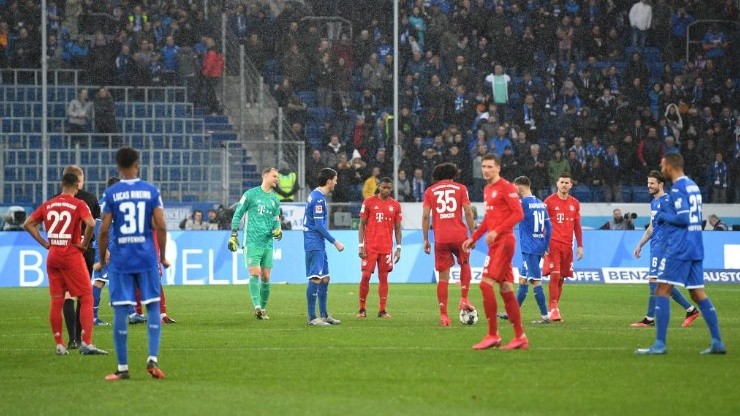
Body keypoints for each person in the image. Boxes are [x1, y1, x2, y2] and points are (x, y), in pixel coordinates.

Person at [636, 154, 726, 355]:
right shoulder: (693, 186)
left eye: (663, 165)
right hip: (696, 244)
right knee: (697, 293)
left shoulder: (677, 188)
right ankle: (717, 342)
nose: (662, 168)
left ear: (669, 166)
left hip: (680, 246)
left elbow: (683, 218)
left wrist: (662, 216)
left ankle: (659, 344)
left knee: (661, 289)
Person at [98, 147, 168, 380]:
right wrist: (162, 256)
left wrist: (101, 260)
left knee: (120, 308)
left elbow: (104, 229)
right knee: (152, 305)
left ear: (118, 166)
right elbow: (161, 225)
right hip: (146, 256)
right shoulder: (150, 191)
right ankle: (153, 359)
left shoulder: (111, 193)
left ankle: (123, 368)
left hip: (121, 259)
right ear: (137, 164)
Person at [23, 173, 108, 356]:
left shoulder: (49, 204)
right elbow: (91, 223)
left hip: (53, 255)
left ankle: (60, 344)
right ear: (77, 186)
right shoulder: (78, 204)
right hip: (71, 254)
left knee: (57, 300)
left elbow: (28, 223)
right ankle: (86, 343)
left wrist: (45, 243)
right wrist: (84, 244)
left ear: (61, 184)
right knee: (86, 297)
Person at [462, 154, 527, 350]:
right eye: (483, 166)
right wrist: (474, 237)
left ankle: (493, 335)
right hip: (495, 243)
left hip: (504, 242)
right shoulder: (487, 189)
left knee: (485, 284)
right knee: (506, 289)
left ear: (498, 168)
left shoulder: (507, 187)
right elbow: (489, 220)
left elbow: (518, 213)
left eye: (490, 166)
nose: (486, 170)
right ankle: (520, 337)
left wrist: (498, 230)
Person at [632, 170, 700, 328]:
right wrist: (640, 244)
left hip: (664, 247)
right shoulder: (654, 202)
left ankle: (649, 319)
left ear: (661, 184)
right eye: (648, 183)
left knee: (654, 282)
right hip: (655, 246)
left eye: (652, 183)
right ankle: (691, 310)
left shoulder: (667, 201)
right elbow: (651, 227)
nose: (648, 186)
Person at [422, 163, 476, 327]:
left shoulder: (430, 191)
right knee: (465, 263)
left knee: (443, 278)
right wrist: (473, 234)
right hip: (459, 235)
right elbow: (468, 211)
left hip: (441, 238)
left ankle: (444, 316)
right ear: (453, 174)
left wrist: (426, 238)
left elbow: (425, 217)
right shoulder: (460, 188)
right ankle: (464, 299)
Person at [227, 167, 282, 320]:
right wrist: (233, 234)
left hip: (268, 243)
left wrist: (278, 230)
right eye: (274, 176)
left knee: (266, 276)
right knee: (255, 273)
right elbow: (238, 213)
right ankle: (257, 306)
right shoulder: (250, 195)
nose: (276, 179)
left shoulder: (275, 200)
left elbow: (275, 220)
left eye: (277, 177)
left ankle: (262, 309)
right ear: (265, 176)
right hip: (252, 241)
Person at [61, 165, 100, 349]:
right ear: (79, 180)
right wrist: (86, 242)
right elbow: (95, 224)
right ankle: (82, 338)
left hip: (63, 250)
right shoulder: (90, 199)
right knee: (84, 295)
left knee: (67, 294)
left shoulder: (55, 200)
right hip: (85, 250)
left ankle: (72, 339)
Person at [303, 168, 345, 326]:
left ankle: (324, 314)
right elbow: (319, 226)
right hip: (314, 241)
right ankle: (312, 317)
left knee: (325, 278)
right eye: (335, 179)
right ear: (328, 181)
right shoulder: (318, 199)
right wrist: (335, 242)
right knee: (315, 277)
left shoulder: (316, 194)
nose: (336, 182)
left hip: (317, 241)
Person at [357, 177, 402, 319]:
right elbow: (361, 225)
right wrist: (361, 245)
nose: (386, 190)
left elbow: (398, 228)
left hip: (386, 248)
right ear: (379, 187)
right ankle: (362, 309)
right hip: (370, 247)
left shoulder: (395, 205)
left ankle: (382, 310)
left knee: (384, 278)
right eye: (383, 187)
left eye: (388, 188)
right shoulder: (369, 202)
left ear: (392, 189)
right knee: (365, 276)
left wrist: (399, 247)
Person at [543, 172, 584, 322]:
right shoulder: (549, 201)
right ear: (557, 184)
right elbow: (543, 224)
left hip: (568, 246)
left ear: (571, 185)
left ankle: (553, 308)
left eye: (567, 182)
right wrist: (543, 244)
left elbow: (577, 226)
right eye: (562, 182)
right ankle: (554, 307)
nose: (564, 185)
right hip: (553, 244)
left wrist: (580, 246)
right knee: (555, 274)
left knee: (561, 278)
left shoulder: (575, 203)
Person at [511, 176, 552, 324]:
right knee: (523, 280)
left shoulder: (522, 203)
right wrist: (545, 245)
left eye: (514, 188)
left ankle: (545, 316)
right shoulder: (541, 204)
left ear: (520, 188)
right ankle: (513, 313)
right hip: (538, 246)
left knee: (535, 281)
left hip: (529, 248)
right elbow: (549, 227)